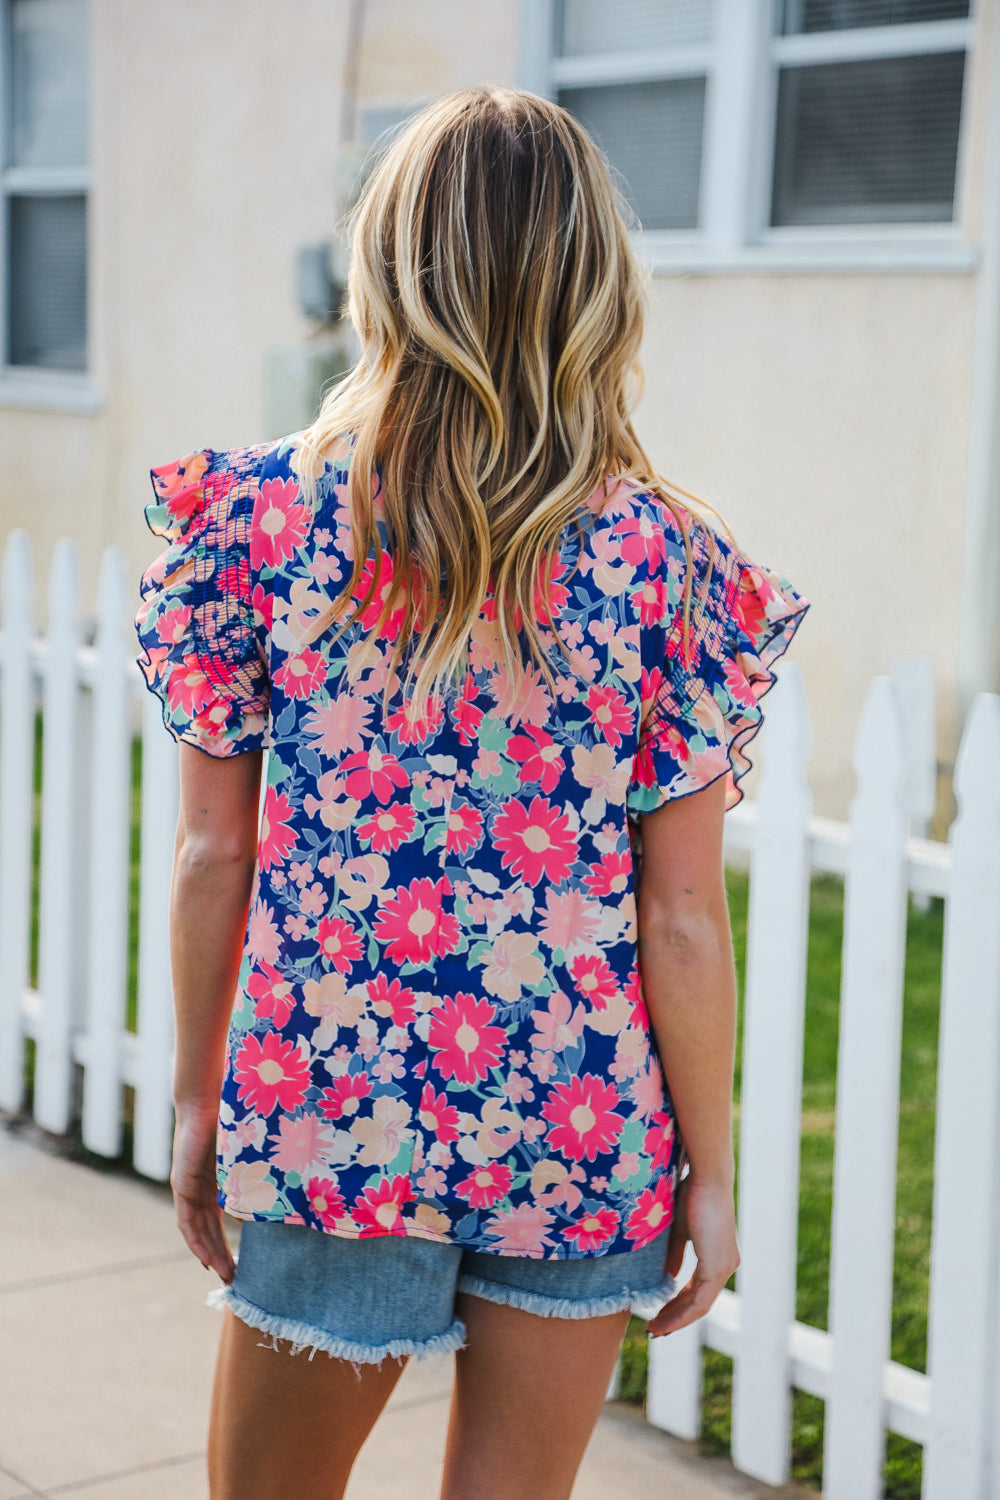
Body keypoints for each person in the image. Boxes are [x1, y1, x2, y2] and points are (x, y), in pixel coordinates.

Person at [134, 85, 809, 1500]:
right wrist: (712, 1172)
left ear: (387, 264)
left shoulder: (258, 525)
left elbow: (213, 854)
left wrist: (198, 1097)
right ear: (594, 282)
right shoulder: (672, 564)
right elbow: (683, 916)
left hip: (333, 1106)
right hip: (581, 1118)